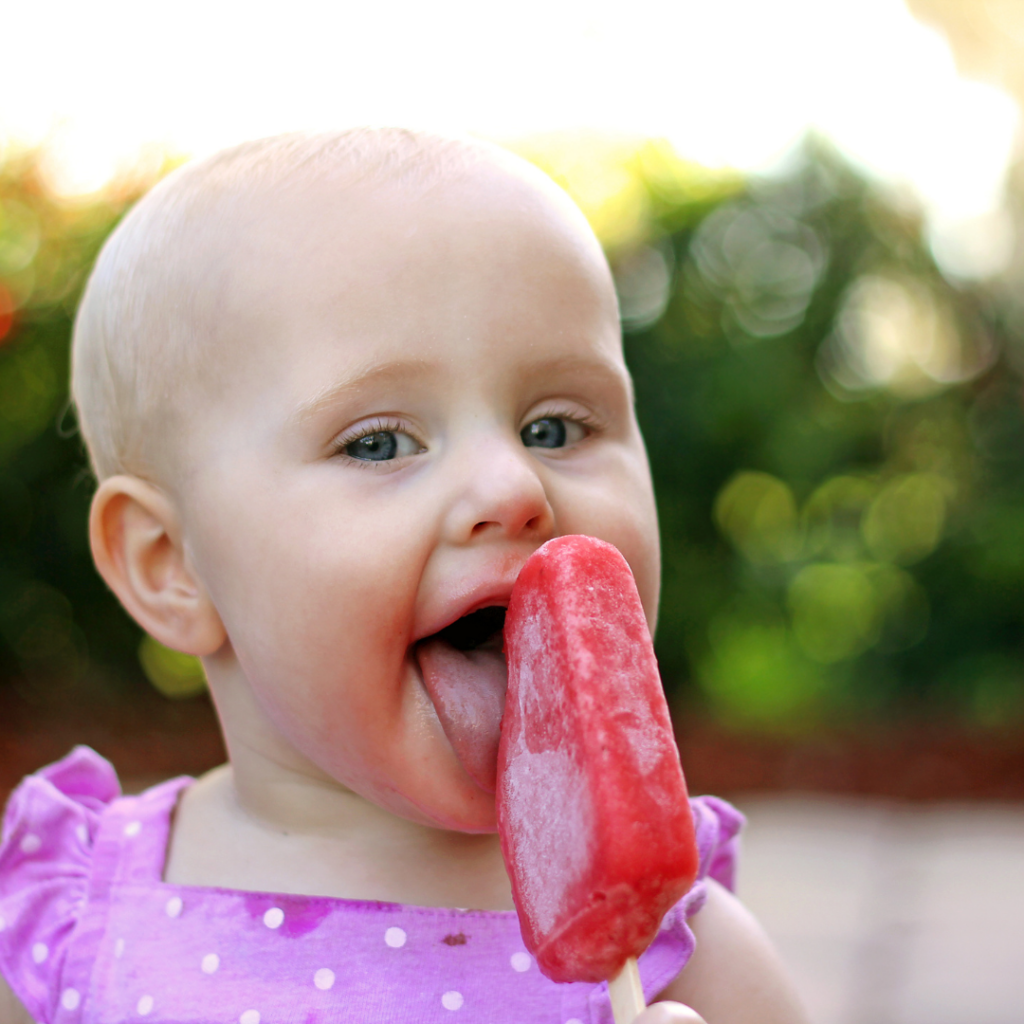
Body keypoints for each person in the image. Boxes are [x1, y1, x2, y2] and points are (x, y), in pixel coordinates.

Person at [0, 129, 809, 1024]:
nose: (513, 487)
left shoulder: (668, 948)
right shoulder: (81, 927)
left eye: (555, 427)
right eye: (379, 443)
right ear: (172, 566)